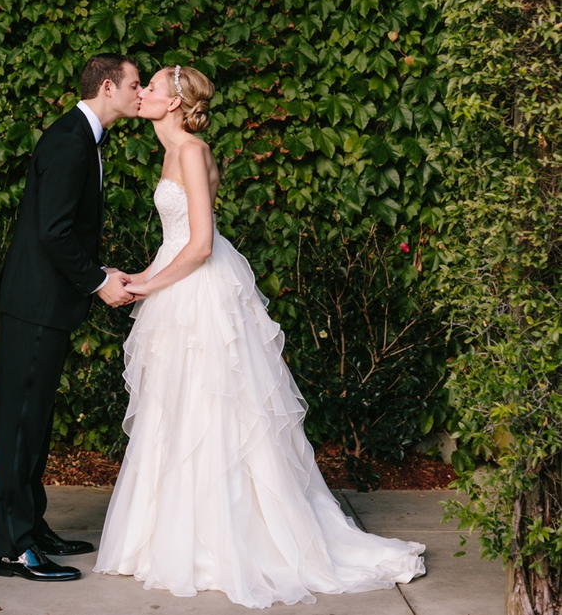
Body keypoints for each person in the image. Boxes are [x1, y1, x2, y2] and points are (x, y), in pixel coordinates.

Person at [93, 64, 426, 608]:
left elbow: (200, 243)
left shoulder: (193, 152)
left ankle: (230, 541)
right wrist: (149, 276)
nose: (142, 94)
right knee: (177, 407)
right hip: (177, 282)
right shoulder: (170, 150)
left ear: (173, 102)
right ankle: (175, 537)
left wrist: (149, 284)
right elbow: (181, 236)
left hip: (200, 287)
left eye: (150, 87)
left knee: (217, 406)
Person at [0, 54, 140, 582]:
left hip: (43, 304)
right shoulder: (70, 141)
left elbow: (63, 231)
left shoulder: (83, 136)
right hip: (33, 304)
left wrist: (100, 268)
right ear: (108, 86)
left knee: (37, 423)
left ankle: (32, 526)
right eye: (134, 84)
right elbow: (53, 232)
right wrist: (99, 283)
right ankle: (13, 549)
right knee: (20, 427)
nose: (139, 93)